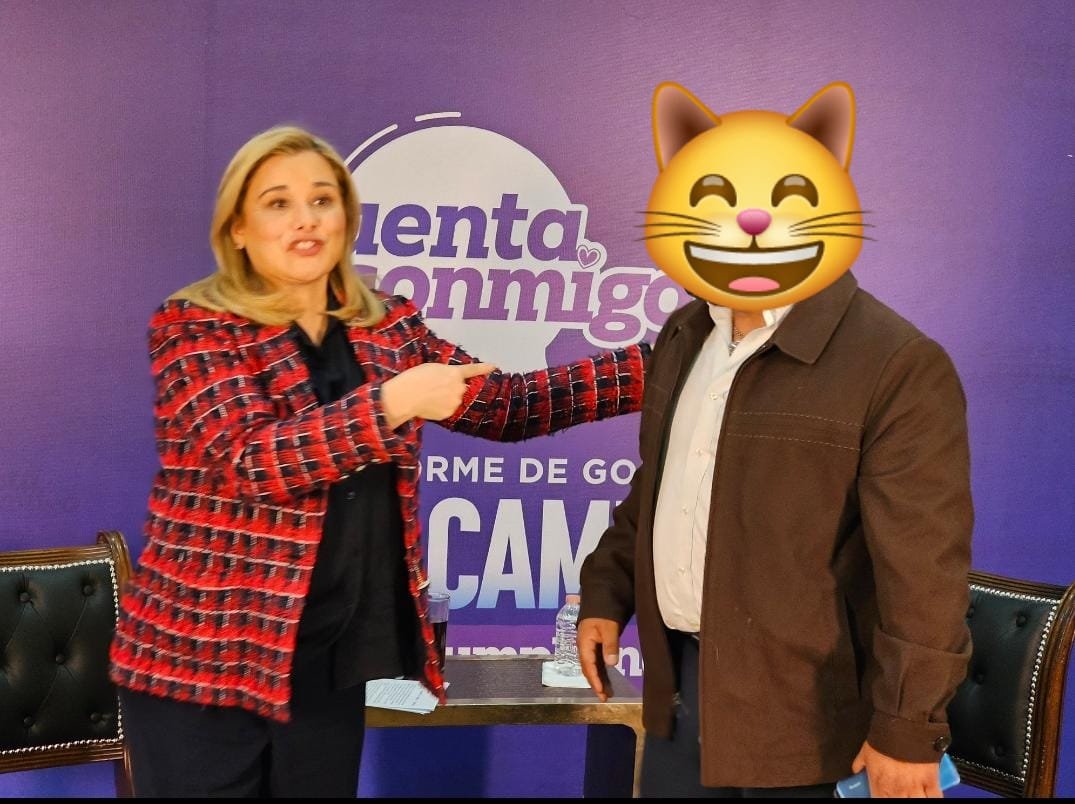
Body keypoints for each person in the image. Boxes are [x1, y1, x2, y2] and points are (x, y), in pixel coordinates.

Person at [109, 124, 649, 797]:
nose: (305, 219)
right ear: (238, 229)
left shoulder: (387, 325)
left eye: (322, 199)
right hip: (204, 662)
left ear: (346, 217)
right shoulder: (194, 325)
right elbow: (252, 460)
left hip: (325, 662)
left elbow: (506, 406)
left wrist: (663, 362)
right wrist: (392, 403)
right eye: (278, 203)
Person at [577, 82, 972, 797]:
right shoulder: (685, 333)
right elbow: (660, 488)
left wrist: (908, 727)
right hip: (682, 698)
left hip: (810, 727)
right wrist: (607, 592)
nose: (751, 220)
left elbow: (923, 570)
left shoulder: (897, 363)